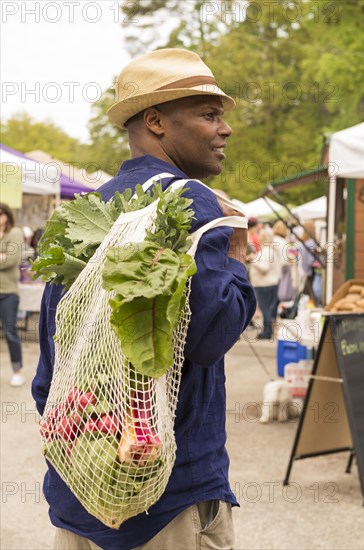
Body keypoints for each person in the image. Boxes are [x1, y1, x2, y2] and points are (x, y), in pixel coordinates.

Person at [32, 48, 257, 549]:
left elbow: (49, 370)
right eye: (209, 114)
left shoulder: (84, 211)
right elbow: (211, 335)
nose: (226, 129)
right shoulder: (189, 201)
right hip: (166, 501)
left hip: (82, 493)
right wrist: (238, 254)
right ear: (155, 121)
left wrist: (92, 449)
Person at [0, 203, 25, 386]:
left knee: (10, 332)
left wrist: (5, 256)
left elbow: (11, 260)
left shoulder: (15, 233)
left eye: (1, 213)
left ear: (7, 215)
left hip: (8, 292)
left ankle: (18, 370)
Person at [249, 225, 281, 339]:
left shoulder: (266, 251)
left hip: (264, 284)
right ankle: (267, 331)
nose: (258, 238)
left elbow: (265, 267)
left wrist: (253, 260)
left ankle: (267, 332)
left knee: (265, 309)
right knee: (268, 308)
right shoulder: (271, 251)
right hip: (270, 283)